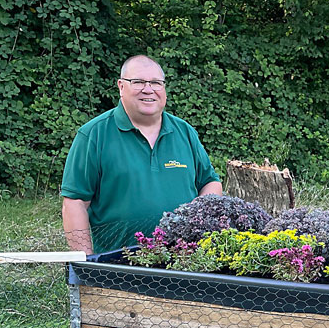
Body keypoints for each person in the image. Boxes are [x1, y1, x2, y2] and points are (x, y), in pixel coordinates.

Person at [61, 55, 222, 255]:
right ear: (121, 86)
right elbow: (75, 202)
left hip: (186, 261)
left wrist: (197, 225)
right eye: (138, 82)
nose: (148, 89)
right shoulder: (94, 135)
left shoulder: (184, 132)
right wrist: (88, 263)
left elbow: (210, 182)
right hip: (119, 266)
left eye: (156, 83)